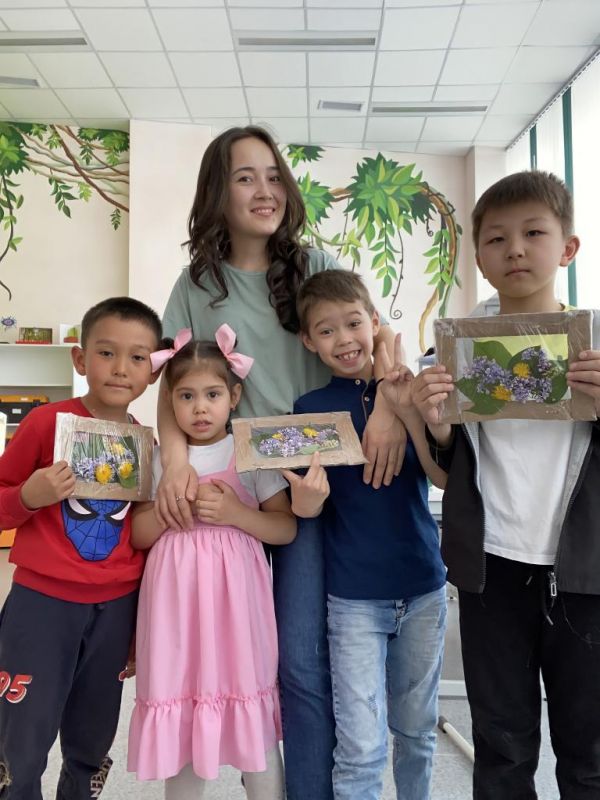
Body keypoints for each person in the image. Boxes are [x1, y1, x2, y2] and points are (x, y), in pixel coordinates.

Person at [155, 124, 405, 799]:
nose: (264, 190)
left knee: (299, 660)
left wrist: (386, 405)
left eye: (273, 176)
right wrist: (175, 462)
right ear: (218, 191)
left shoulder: (313, 262)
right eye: (245, 177)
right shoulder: (196, 284)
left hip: (314, 485)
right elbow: (171, 384)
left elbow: (378, 337)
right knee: (224, 655)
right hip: (231, 485)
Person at [411, 170, 600, 799]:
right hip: (492, 570)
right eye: (496, 238)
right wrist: (437, 425)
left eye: (533, 233)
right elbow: (448, 469)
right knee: (502, 745)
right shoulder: (457, 350)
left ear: (567, 247)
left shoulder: (595, 343)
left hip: (586, 574)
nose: (515, 249)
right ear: (479, 257)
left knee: (589, 751)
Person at [128, 325, 323, 799]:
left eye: (212, 394)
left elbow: (285, 528)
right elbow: (137, 535)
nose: (200, 408)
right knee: (184, 710)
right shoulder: (159, 461)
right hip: (176, 607)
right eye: (187, 396)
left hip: (237, 609)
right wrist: (171, 509)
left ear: (234, 397)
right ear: (169, 402)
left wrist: (236, 514)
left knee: (250, 712)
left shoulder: (249, 452)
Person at [291, 269, 447, 800]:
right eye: (326, 330)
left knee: (417, 732)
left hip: (423, 587)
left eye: (354, 323)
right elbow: (307, 506)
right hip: (353, 599)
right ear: (308, 341)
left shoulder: (408, 390)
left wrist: (402, 410)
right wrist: (304, 501)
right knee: (360, 748)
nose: (344, 339)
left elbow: (440, 475)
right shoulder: (308, 410)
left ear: (374, 322)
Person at [0, 296, 162, 799]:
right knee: (21, 739)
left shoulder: (145, 444)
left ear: (153, 371)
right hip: (41, 605)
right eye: (106, 352)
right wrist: (29, 496)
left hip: (115, 607)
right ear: (80, 358)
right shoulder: (44, 423)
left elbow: (139, 535)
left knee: (93, 737)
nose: (121, 368)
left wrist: (137, 627)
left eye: (137, 357)